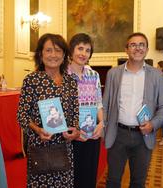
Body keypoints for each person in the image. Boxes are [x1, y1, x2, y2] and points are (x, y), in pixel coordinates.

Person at [103, 32, 163, 188]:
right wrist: (104, 128)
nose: (138, 48)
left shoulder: (157, 75)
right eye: (133, 45)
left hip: (144, 137)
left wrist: (153, 124)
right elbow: (105, 104)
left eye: (142, 45)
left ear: (147, 50)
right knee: (112, 181)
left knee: (138, 182)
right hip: (117, 135)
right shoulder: (113, 73)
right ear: (126, 49)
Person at [17, 33, 80, 187]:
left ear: (64, 55)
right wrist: (38, 130)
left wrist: (76, 131)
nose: (53, 55)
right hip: (40, 146)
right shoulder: (32, 80)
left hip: (65, 148)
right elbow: (22, 115)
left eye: (58, 50)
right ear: (40, 54)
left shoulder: (71, 81)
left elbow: (75, 112)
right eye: (49, 50)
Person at [67, 33, 104, 188]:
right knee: (71, 178)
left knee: (89, 176)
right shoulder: (62, 75)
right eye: (80, 48)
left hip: (91, 133)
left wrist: (102, 123)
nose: (83, 53)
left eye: (87, 50)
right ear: (71, 50)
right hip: (70, 135)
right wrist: (72, 131)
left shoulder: (93, 75)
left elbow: (98, 104)